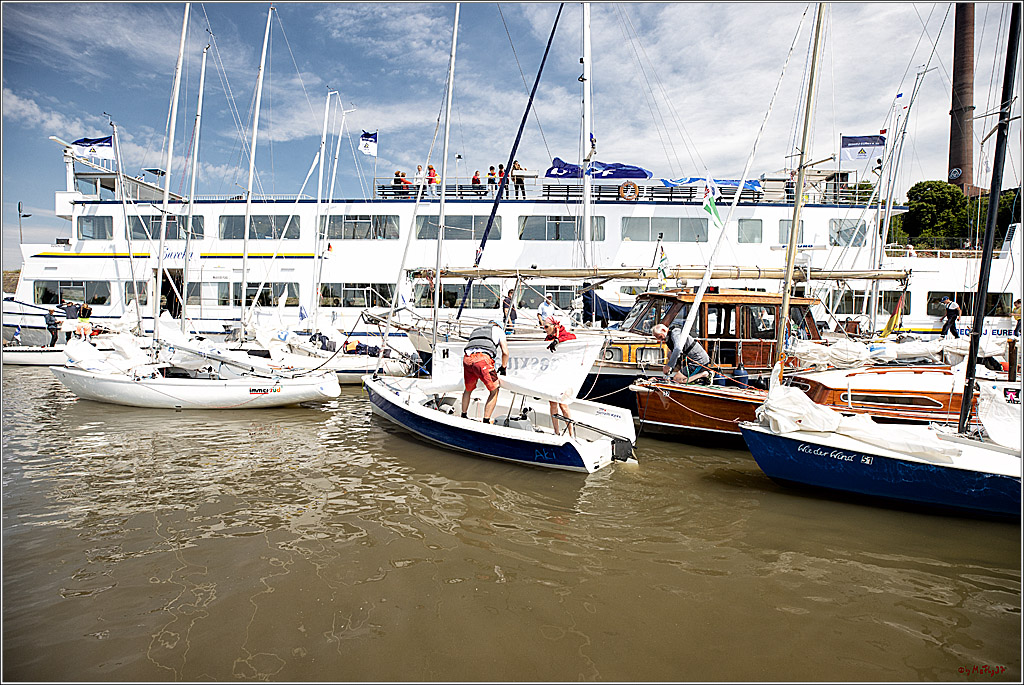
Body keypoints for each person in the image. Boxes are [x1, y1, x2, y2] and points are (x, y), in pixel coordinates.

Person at [460, 321, 510, 424]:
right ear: (499, 326)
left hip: (467, 359)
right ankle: (486, 420)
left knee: (468, 389)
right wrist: (503, 367)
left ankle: (463, 415)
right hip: (483, 360)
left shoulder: (476, 330)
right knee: (494, 390)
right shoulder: (499, 330)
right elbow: (505, 352)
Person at [543, 316, 576, 437]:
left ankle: (571, 432)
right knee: (552, 403)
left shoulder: (564, 334)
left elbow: (573, 337)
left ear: (554, 326)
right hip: (552, 374)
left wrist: (558, 340)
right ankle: (556, 431)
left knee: (563, 404)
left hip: (563, 375)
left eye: (546, 326)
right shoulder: (548, 338)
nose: (545, 329)